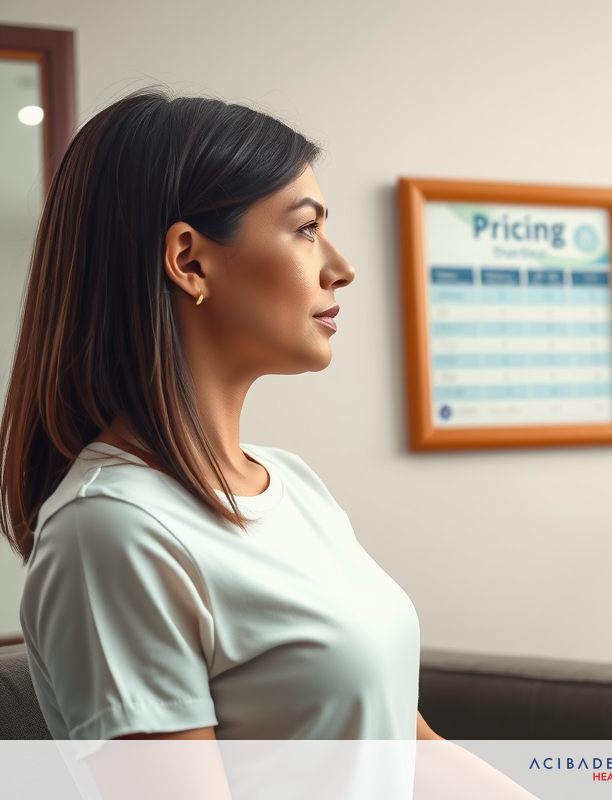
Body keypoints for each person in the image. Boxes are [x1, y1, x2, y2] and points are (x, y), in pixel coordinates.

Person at [0, 90, 444, 782]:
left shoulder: (293, 485)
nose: (341, 267)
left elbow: (416, 754)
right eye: (306, 228)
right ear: (190, 261)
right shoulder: (111, 530)